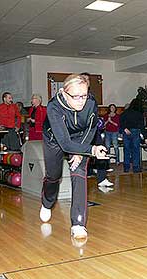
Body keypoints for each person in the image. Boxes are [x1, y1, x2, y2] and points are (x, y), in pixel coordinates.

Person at [39, 74, 107, 240]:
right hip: (55, 139)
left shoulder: (91, 103)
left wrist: (80, 151)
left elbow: (91, 129)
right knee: (53, 176)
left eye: (83, 95)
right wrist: (91, 150)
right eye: (75, 96)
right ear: (63, 92)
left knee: (79, 173)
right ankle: (47, 202)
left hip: (80, 137)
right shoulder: (54, 106)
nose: (80, 100)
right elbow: (65, 143)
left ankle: (78, 223)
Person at [119, 98, 146, 173]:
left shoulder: (126, 112)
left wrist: (124, 128)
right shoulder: (139, 113)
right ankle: (136, 167)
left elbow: (121, 121)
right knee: (136, 150)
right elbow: (142, 126)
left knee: (126, 149)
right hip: (135, 131)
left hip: (126, 131)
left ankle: (126, 167)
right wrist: (145, 136)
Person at [94, 116, 114, 192]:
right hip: (89, 136)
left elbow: (101, 125)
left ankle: (102, 178)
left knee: (102, 154)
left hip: (95, 135)